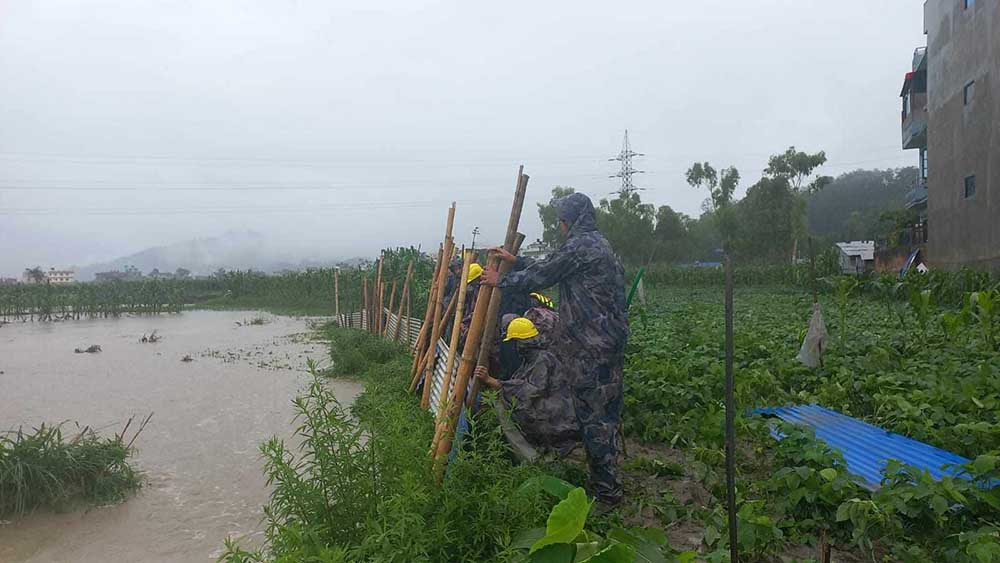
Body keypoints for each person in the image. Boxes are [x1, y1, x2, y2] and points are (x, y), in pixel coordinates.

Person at [480, 192, 629, 508]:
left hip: (590, 348)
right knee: (606, 413)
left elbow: (543, 275)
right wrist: (517, 261)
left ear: (568, 221)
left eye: (561, 221)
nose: (560, 227)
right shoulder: (599, 244)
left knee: (594, 417)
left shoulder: (580, 246)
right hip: (607, 344)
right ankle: (606, 480)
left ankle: (607, 494)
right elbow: (555, 266)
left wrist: (499, 280)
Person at [474, 317, 578, 456]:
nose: (514, 347)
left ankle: (530, 457)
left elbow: (531, 390)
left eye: (515, 342)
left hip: (556, 418)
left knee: (502, 406)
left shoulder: (542, 359)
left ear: (521, 342)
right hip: (555, 413)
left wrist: (495, 382)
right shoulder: (533, 359)